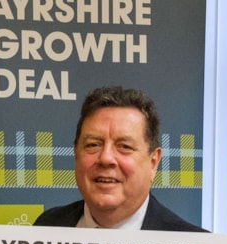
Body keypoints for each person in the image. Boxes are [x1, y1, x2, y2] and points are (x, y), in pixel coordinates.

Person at [34, 85, 206, 232]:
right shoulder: (46, 228)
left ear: (153, 163)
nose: (106, 158)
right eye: (93, 145)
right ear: (76, 154)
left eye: (124, 147)